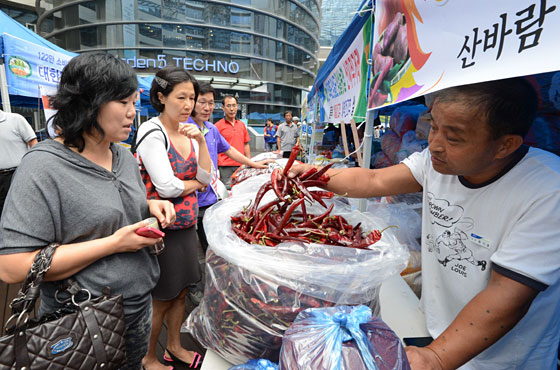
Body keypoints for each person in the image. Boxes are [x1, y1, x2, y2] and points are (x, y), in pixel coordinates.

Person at [287, 78, 560, 370]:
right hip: (435, 330)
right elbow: (373, 180)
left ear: (505, 145)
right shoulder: (438, 164)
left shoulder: (548, 190)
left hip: (503, 360)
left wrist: (436, 357)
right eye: (434, 126)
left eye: (453, 137)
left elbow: (507, 293)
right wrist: (308, 175)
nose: (434, 144)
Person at [0, 53, 176, 370]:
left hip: (138, 306)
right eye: (123, 102)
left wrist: (150, 205)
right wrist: (114, 243)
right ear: (89, 102)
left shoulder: (122, 156)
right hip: (82, 317)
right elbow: (12, 267)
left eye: (133, 102)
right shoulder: (42, 166)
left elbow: (108, 207)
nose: (132, 113)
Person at [135, 67, 212, 370]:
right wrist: (195, 185)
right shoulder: (151, 131)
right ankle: (147, 355)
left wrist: (203, 143)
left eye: (191, 98)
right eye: (181, 97)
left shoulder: (192, 134)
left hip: (186, 227)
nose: (188, 105)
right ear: (161, 97)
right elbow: (167, 186)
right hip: (161, 231)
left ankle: (174, 346)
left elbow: (207, 174)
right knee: (162, 298)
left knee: (180, 294)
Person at [186, 83, 270, 254]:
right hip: (190, 198)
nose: (207, 107)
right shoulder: (184, 128)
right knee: (189, 248)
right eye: (202, 102)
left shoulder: (211, 128)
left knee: (210, 243)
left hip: (211, 196)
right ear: (192, 102)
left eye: (210, 103)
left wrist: (252, 163)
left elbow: (229, 150)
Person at [0, 109, 37, 218]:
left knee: (23, 212)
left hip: (18, 174)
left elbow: (33, 143)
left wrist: (35, 168)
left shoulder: (16, 120)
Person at [215, 95, 250, 188]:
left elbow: (246, 144)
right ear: (223, 108)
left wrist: (249, 162)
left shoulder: (242, 125)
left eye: (234, 105)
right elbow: (214, 148)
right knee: (228, 194)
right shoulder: (217, 127)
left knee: (242, 191)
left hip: (241, 166)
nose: (232, 109)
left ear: (237, 106)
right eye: (228, 106)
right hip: (225, 167)